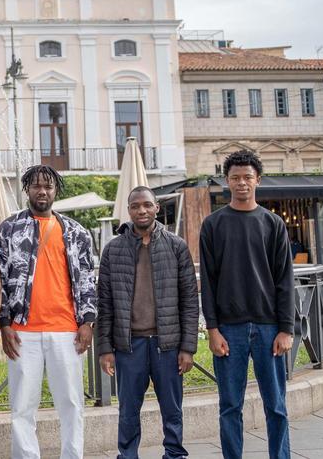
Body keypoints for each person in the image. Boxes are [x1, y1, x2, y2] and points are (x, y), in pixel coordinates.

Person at [0, 164, 97, 459]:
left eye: (48, 186)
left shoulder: (76, 232)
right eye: (37, 186)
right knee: (22, 407)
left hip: (67, 330)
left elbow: (88, 279)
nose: (43, 191)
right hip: (22, 331)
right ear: (27, 189)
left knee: (72, 403)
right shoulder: (8, 229)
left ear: (56, 191)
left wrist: (88, 321)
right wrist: (4, 324)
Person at [200, 150, 294, 459]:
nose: (242, 183)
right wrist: (212, 329)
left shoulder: (273, 223)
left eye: (247, 178)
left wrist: (286, 329)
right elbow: (208, 283)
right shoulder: (213, 225)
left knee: (276, 406)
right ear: (226, 181)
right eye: (235, 178)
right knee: (230, 406)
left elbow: (285, 280)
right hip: (229, 329)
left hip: (269, 329)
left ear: (258, 180)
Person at [97, 186, 199, 459]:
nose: (141, 210)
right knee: (128, 410)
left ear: (156, 208)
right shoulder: (113, 250)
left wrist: (188, 347)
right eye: (135, 206)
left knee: (172, 409)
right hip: (129, 346)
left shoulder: (176, 246)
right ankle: (127, 455)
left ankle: (174, 454)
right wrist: (105, 349)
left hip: (168, 344)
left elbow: (190, 300)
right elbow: (104, 303)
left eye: (146, 205)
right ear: (128, 210)